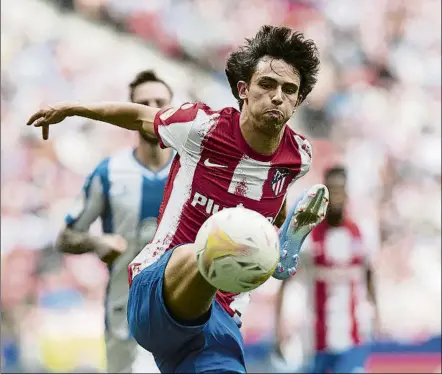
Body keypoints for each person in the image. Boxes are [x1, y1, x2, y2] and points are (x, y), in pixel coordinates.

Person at [27, 25, 329, 373]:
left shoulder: (299, 157)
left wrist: (279, 231)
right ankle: (266, 255)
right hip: (158, 289)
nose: (277, 96)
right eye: (267, 84)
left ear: (298, 101)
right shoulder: (202, 127)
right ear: (244, 89)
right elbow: (140, 116)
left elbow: (274, 200)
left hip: (218, 322)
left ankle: (275, 251)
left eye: (289, 90)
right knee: (216, 241)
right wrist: (75, 108)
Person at [55, 70, 174, 373]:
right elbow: (65, 237)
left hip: (181, 311)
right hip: (123, 313)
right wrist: (97, 241)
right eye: (142, 103)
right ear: (130, 112)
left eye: (159, 102)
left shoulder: (192, 170)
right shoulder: (109, 172)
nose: (151, 109)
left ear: (172, 108)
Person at [275, 166, 376, 373]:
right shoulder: (309, 238)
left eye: (340, 190)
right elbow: (286, 279)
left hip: (352, 338)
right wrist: (279, 326)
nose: (337, 196)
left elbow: (369, 274)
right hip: (315, 340)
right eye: (332, 190)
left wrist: (377, 315)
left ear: (347, 193)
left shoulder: (361, 233)